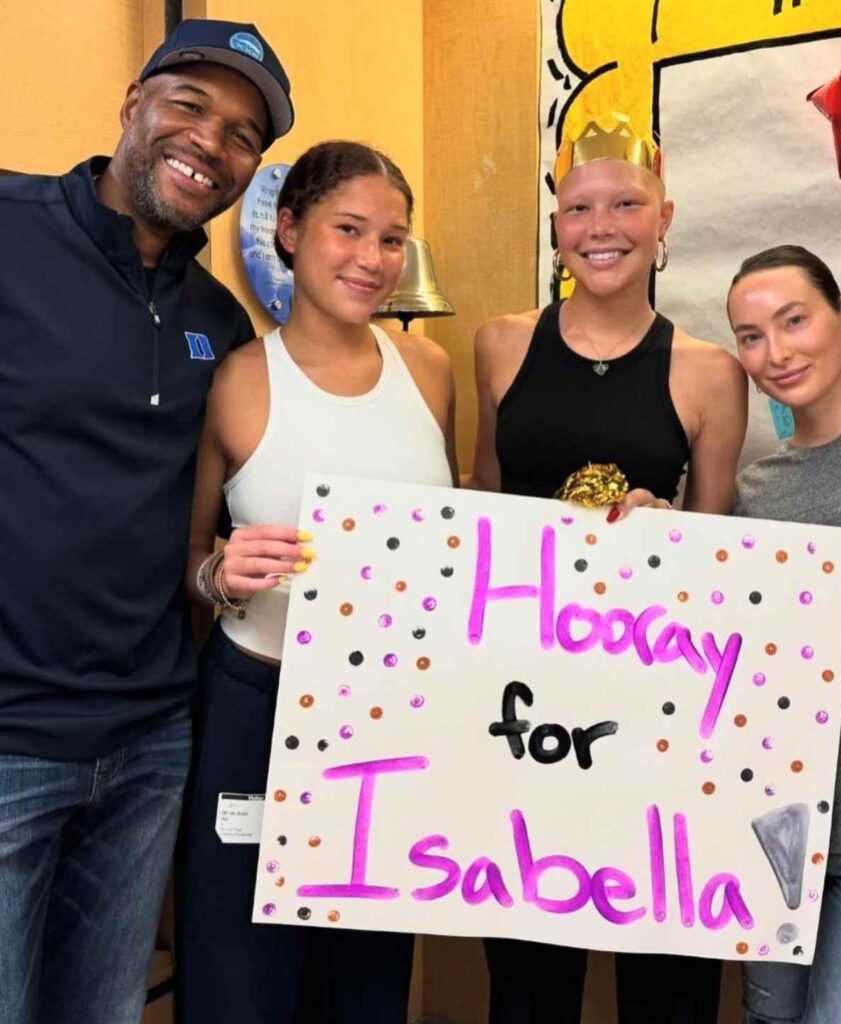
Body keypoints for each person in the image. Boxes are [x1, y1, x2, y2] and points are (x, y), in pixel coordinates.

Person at [0, 19, 292, 1024]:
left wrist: (222, 571)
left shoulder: (220, 320)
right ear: (134, 103)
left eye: (244, 133)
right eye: (190, 106)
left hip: (150, 738)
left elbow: (201, 523)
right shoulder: (8, 225)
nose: (212, 142)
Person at [469, 115, 747, 1024]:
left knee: (665, 969)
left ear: (665, 218)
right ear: (556, 225)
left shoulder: (710, 372)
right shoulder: (501, 343)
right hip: (523, 701)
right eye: (580, 208)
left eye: (627, 205)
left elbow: (721, 561)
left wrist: (675, 536)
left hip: (652, 706)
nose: (603, 227)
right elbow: (481, 503)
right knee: (525, 966)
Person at [175, 140, 458, 1024]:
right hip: (257, 703)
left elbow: (466, 547)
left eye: (391, 239)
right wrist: (221, 571)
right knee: (237, 970)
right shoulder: (239, 380)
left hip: (391, 710)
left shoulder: (430, 372)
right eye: (349, 230)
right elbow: (189, 564)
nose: (372, 259)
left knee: (366, 973)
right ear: (290, 232)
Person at [728, 245, 841, 1024]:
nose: (776, 352)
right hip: (774, 838)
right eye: (750, 336)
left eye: (794, 320)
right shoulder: (757, 490)